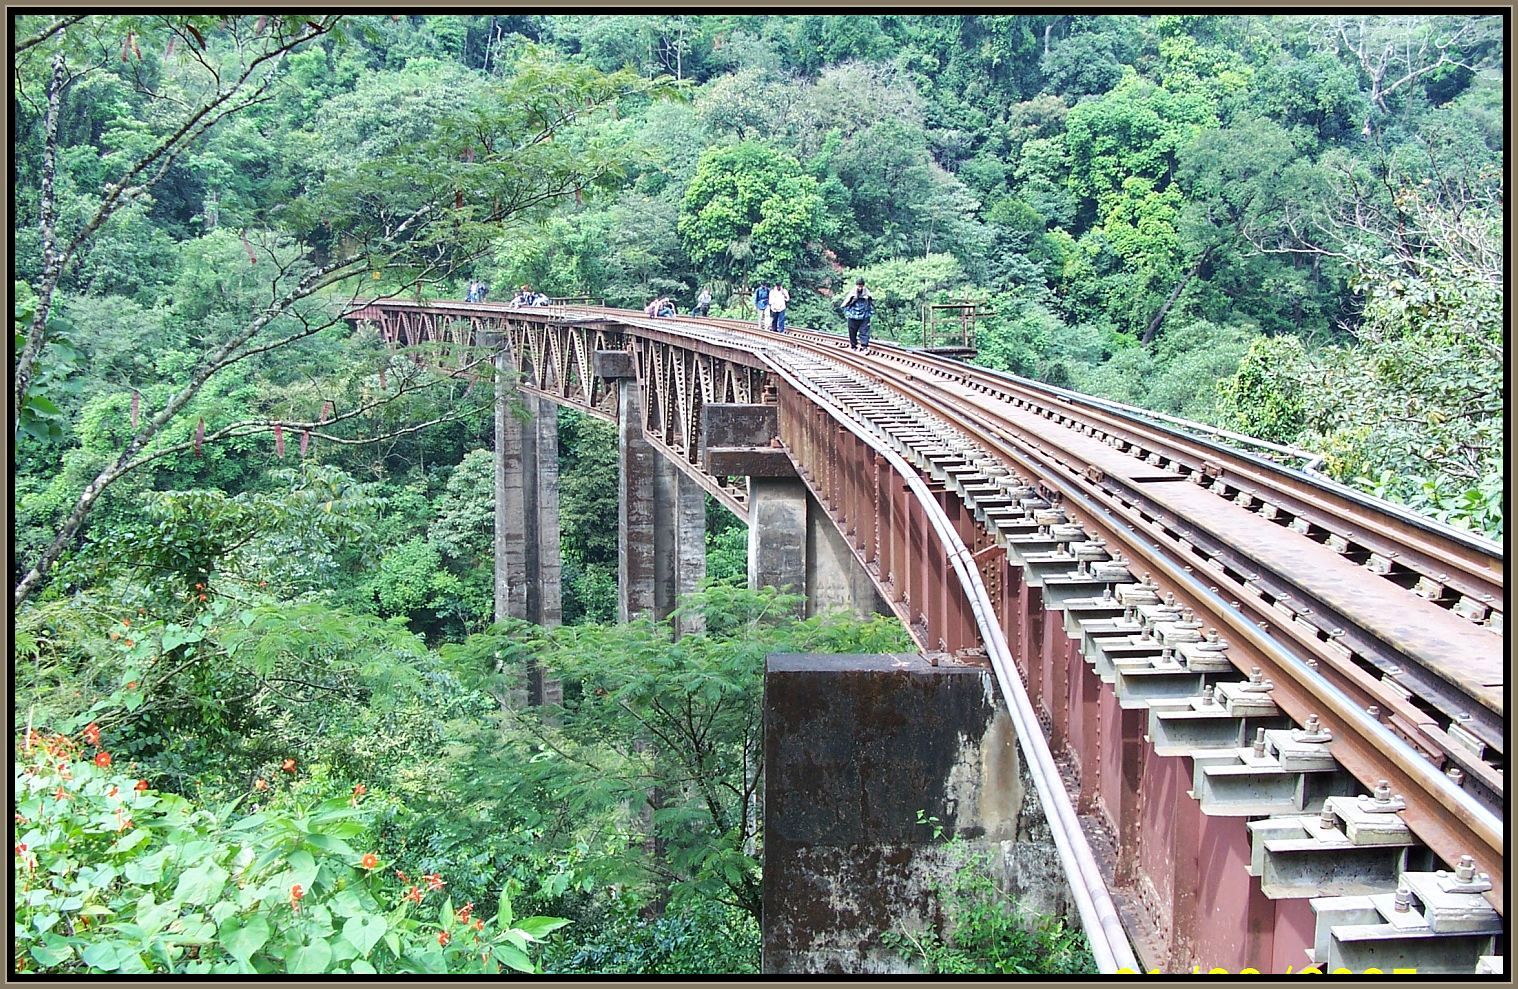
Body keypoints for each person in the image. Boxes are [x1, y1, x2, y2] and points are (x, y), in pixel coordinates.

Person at [839, 277, 874, 351]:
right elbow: (846, 303)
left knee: (864, 331)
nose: (860, 288)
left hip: (864, 316)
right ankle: (853, 346)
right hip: (852, 315)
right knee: (852, 332)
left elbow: (871, 304)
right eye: (858, 286)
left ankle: (864, 346)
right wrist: (846, 312)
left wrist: (870, 311)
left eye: (861, 286)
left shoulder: (867, 294)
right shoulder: (852, 294)